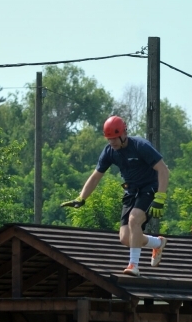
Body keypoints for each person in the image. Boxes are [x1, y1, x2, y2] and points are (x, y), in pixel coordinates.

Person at [61, 115, 169, 277]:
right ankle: (158, 243)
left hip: (149, 188)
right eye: (109, 139)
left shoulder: (141, 146)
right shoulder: (109, 151)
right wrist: (81, 198)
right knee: (126, 238)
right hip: (131, 191)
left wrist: (160, 197)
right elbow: (96, 176)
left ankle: (134, 265)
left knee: (134, 220)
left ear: (124, 133)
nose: (112, 142)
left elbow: (163, 170)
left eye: (114, 139)